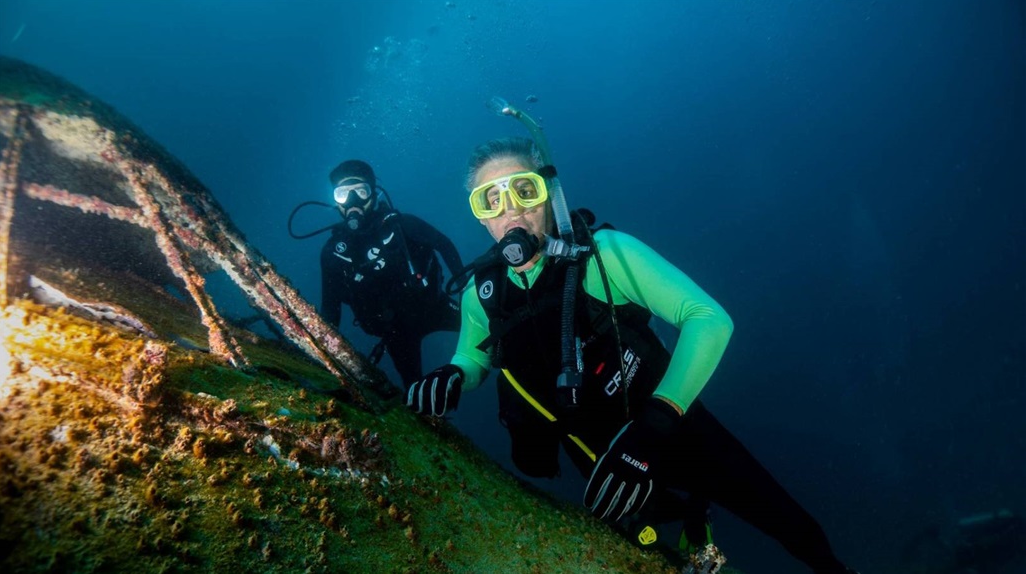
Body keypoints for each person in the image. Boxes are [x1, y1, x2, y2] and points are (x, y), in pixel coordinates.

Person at [405, 136, 859, 574]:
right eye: (491, 200)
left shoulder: (604, 255)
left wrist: (656, 423)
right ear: (481, 217)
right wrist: (452, 375)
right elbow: (474, 356)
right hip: (597, 455)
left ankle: (834, 568)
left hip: (672, 426)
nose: (512, 212)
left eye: (525, 190)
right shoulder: (481, 293)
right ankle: (692, 522)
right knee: (649, 543)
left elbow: (709, 318)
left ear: (549, 196)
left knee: (779, 515)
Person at [320, 159, 463, 388]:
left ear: (373, 194)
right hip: (395, 332)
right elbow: (330, 310)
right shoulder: (333, 254)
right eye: (343, 194)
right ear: (335, 201)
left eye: (360, 191)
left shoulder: (403, 225)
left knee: (487, 327)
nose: (352, 201)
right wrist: (323, 355)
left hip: (434, 306)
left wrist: (466, 289)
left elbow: (443, 244)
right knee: (414, 387)